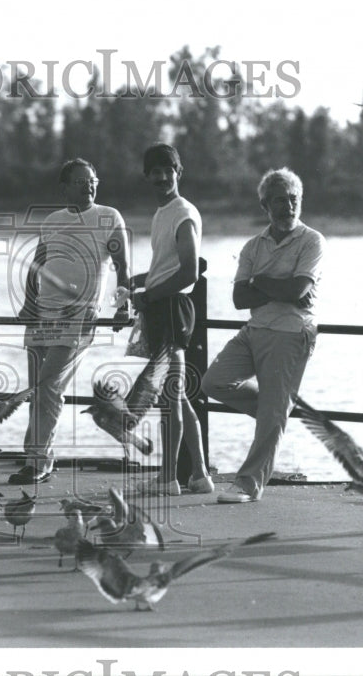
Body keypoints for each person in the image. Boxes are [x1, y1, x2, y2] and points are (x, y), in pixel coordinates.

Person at [202, 167, 325, 503]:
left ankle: (248, 484)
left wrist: (260, 282)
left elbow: (299, 289)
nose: (288, 206)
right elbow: (240, 299)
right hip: (255, 329)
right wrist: (280, 288)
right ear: (265, 207)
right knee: (212, 382)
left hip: (290, 332)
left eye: (294, 199)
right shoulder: (253, 246)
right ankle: (276, 411)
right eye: (280, 200)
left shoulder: (312, 240)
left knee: (272, 413)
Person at [10, 159, 131, 485]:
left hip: (79, 316)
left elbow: (122, 267)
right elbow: (36, 267)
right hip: (41, 316)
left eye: (92, 180)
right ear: (64, 188)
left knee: (49, 387)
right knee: (38, 389)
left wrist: (122, 306)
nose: (89, 186)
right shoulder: (52, 220)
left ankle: (36, 462)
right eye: (80, 182)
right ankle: (42, 458)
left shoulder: (109, 217)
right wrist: (28, 305)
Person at [129, 144, 214, 497]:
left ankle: (168, 478)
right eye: (156, 172)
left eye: (169, 171)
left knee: (171, 397)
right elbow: (167, 265)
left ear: (179, 172)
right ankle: (199, 475)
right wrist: (137, 281)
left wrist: (149, 294)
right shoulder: (162, 212)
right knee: (178, 396)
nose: (162, 177)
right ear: (147, 176)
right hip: (163, 307)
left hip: (174, 308)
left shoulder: (182, 212)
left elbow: (189, 272)